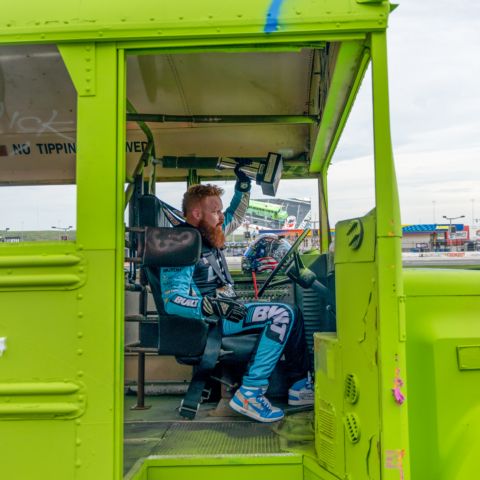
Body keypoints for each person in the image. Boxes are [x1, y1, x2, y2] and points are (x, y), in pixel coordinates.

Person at [160, 169, 313, 423]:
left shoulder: (210, 235)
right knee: (281, 315)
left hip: (227, 311)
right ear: (197, 214)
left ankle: (299, 386)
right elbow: (172, 301)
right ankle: (251, 392)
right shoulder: (182, 243)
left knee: (292, 312)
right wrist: (214, 307)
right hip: (211, 322)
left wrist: (243, 187)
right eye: (215, 211)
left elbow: (235, 215)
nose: (222, 217)